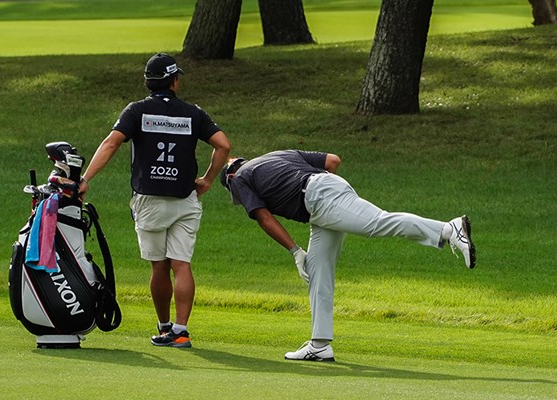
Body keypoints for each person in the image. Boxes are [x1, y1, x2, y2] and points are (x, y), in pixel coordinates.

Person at [219, 150, 475, 361]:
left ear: (229, 176)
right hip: (323, 197)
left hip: (318, 198)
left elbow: (263, 217)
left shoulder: (238, 177)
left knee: (378, 223)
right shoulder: (276, 154)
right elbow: (333, 161)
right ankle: (319, 345)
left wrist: (294, 250)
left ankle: (448, 229)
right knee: (318, 268)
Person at [79, 53, 230, 348]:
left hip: (149, 200)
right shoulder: (193, 112)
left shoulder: (137, 111)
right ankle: (181, 330)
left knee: (159, 267)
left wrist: (86, 179)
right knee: (182, 265)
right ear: (174, 81)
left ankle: (164, 327)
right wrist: (209, 179)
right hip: (185, 199)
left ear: (149, 82)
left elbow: (111, 143)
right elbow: (223, 145)